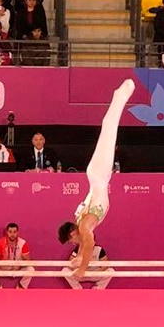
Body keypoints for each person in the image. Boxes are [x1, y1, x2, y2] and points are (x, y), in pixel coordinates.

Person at [57, 79, 135, 280]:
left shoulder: (84, 226)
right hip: (97, 177)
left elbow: (89, 243)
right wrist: (78, 258)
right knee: (108, 129)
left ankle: (120, 96)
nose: (73, 244)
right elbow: (85, 243)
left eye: (71, 241)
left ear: (72, 233)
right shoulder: (81, 224)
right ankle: (119, 97)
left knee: (109, 128)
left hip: (98, 176)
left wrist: (82, 269)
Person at [0, 222, 33, 289]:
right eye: (10, 232)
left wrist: (20, 266)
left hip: (17, 268)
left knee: (31, 269)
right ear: (7, 232)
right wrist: (1, 266)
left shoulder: (23, 244)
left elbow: (28, 262)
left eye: (14, 232)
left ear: (17, 232)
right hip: (2, 268)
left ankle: (21, 286)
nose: (12, 234)